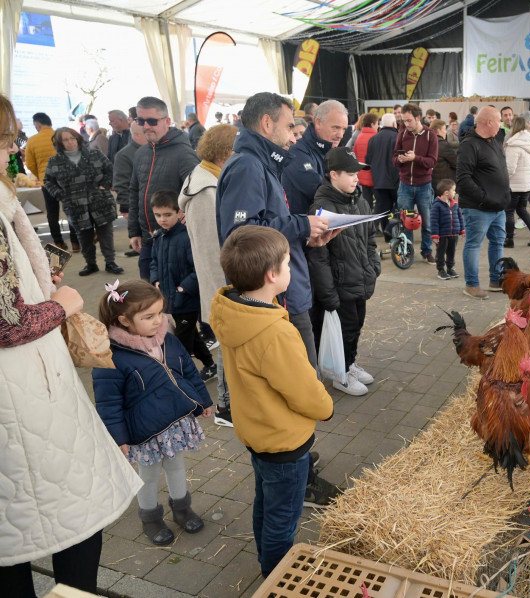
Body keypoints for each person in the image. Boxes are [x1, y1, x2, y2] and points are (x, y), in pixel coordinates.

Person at [0, 95, 142, 597]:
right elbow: (6, 322)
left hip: (22, 395)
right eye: (5, 140)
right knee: (73, 515)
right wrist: (60, 303)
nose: (13, 149)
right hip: (20, 396)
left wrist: (39, 282)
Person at [216, 92, 340, 507]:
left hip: (285, 286)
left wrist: (307, 231)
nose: (295, 135)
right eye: (290, 126)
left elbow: (267, 226)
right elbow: (245, 236)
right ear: (267, 124)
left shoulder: (259, 162)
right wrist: (302, 224)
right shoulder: (249, 166)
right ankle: (296, 478)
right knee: (295, 381)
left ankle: (299, 465)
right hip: (277, 297)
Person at [210, 225, 334, 576]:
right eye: (288, 263)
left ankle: (267, 559)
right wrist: (326, 407)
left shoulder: (231, 310)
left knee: (265, 503)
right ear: (271, 275)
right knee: (283, 518)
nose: (292, 268)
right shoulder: (275, 332)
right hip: (284, 443)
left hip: (256, 433)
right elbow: (303, 390)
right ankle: (277, 578)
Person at [93, 280, 213, 546]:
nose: (158, 321)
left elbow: (187, 370)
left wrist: (203, 400)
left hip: (174, 420)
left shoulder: (167, 339)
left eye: (160, 313)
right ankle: (150, 518)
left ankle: (182, 508)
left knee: (177, 465)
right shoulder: (111, 356)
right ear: (124, 320)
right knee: (148, 474)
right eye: (148, 316)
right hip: (144, 430)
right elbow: (108, 403)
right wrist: (118, 438)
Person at [307, 147, 381, 396]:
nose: (355, 178)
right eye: (349, 173)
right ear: (333, 175)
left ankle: (350, 363)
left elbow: (371, 239)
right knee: (345, 329)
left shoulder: (360, 201)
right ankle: (341, 374)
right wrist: (328, 294)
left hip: (360, 279)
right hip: (340, 285)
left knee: (356, 326)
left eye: (357, 173)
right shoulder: (322, 208)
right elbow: (318, 257)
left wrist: (373, 267)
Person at [179, 123, 238, 425]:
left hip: (222, 284)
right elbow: (210, 250)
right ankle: (226, 407)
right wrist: (227, 293)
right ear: (226, 153)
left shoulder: (208, 179)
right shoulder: (206, 189)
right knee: (229, 345)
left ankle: (229, 404)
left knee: (231, 344)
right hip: (221, 285)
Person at [128, 96, 200, 281]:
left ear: (167, 121)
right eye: (140, 120)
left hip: (175, 242)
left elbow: (198, 194)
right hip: (148, 238)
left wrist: (187, 217)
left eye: (152, 121)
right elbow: (135, 192)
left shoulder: (184, 154)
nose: (146, 126)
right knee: (148, 295)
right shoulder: (141, 153)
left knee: (176, 300)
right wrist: (134, 231)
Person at [148, 190, 216, 380]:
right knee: (191, 336)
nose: (162, 219)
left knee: (181, 342)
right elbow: (154, 262)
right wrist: (155, 280)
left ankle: (181, 377)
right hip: (169, 298)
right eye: (158, 215)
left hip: (186, 299)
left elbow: (199, 268)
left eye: (167, 214)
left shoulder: (187, 237)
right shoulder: (159, 238)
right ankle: (210, 365)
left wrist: (183, 288)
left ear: (179, 213)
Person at [43, 126, 124, 276]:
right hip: (75, 206)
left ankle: (110, 262)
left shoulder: (94, 154)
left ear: (78, 138)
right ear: (59, 143)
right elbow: (48, 181)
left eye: (72, 138)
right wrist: (61, 195)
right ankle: (91, 264)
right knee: (84, 237)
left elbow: (110, 169)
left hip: (100, 201)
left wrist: (105, 185)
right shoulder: (55, 161)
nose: (70, 142)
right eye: (65, 140)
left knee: (106, 234)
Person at [456, 106, 510, 299]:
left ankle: (496, 280)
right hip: (478, 207)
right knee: (473, 244)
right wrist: (484, 198)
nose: (501, 125)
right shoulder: (469, 145)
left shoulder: (495, 140)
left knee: (497, 242)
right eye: (498, 121)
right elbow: (463, 179)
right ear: (488, 122)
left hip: (498, 206)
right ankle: (471, 285)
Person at [282, 100, 349, 217]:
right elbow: (316, 188)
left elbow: (354, 183)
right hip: (305, 230)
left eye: (344, 129)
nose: (341, 135)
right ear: (318, 123)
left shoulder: (335, 150)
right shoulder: (296, 152)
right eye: (336, 128)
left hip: (327, 226)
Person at [27, 112, 79, 251]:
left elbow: (30, 164)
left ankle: (59, 242)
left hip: (47, 182)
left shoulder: (32, 141)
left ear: (37, 124)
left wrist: (41, 175)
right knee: (71, 210)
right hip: (67, 180)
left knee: (52, 213)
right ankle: (75, 242)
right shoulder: (61, 137)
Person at [393, 103, 439, 263]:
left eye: (409, 121)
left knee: (426, 222)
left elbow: (432, 161)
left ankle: (426, 251)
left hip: (424, 186)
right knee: (406, 221)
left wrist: (415, 158)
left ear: (418, 118)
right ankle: (408, 250)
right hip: (404, 185)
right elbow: (393, 159)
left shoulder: (430, 135)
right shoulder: (402, 134)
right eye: (404, 121)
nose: (406, 124)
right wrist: (399, 159)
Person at [503, 116, 530, 248]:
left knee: (508, 211)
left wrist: (503, 180)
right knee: (521, 209)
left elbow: (510, 168)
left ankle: (509, 239)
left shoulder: (513, 144)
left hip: (514, 184)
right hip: (527, 183)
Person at [367, 113, 400, 238]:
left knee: (383, 209)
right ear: (393, 124)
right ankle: (391, 229)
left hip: (378, 181)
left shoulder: (373, 139)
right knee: (398, 207)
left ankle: (387, 234)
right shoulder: (397, 137)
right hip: (394, 181)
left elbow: (368, 159)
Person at [430, 178, 464, 280]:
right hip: (442, 235)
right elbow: (434, 221)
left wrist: (462, 229)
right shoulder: (436, 205)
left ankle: (450, 268)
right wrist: (435, 235)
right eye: (453, 190)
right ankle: (441, 270)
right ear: (446, 193)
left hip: (454, 234)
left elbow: (460, 217)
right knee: (440, 252)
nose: (455, 192)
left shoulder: (455, 204)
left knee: (451, 252)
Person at [112, 120, 147, 218]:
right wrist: (127, 208)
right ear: (137, 135)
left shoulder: (156, 149)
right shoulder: (124, 156)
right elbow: (121, 185)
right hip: (138, 208)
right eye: (147, 132)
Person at [352, 112, 379, 206]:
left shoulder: (359, 136)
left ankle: (367, 220)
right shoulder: (376, 137)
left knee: (366, 204)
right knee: (379, 204)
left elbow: (354, 154)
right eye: (377, 123)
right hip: (374, 176)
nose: (378, 126)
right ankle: (376, 221)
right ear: (372, 124)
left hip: (362, 176)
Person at [430, 118, 457, 191]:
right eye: (444, 129)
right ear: (438, 131)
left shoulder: (428, 143)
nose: (446, 132)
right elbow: (456, 163)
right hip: (444, 184)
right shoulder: (443, 144)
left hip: (431, 182)